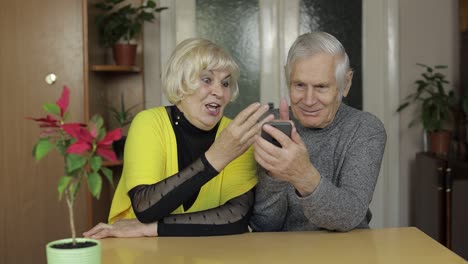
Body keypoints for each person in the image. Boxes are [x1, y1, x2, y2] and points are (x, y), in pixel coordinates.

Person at [83, 38, 273, 238]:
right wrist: (215, 158)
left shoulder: (236, 135)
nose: (219, 92)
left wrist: (149, 228)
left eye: (225, 83)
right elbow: (145, 207)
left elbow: (236, 217)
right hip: (135, 249)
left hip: (200, 251)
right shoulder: (149, 123)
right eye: (207, 80)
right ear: (182, 82)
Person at [250, 31, 387, 232]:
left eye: (321, 86)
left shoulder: (365, 129)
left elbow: (349, 217)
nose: (308, 100)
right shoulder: (267, 125)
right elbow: (264, 226)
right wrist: (274, 176)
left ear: (346, 83)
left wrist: (302, 174)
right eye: (299, 85)